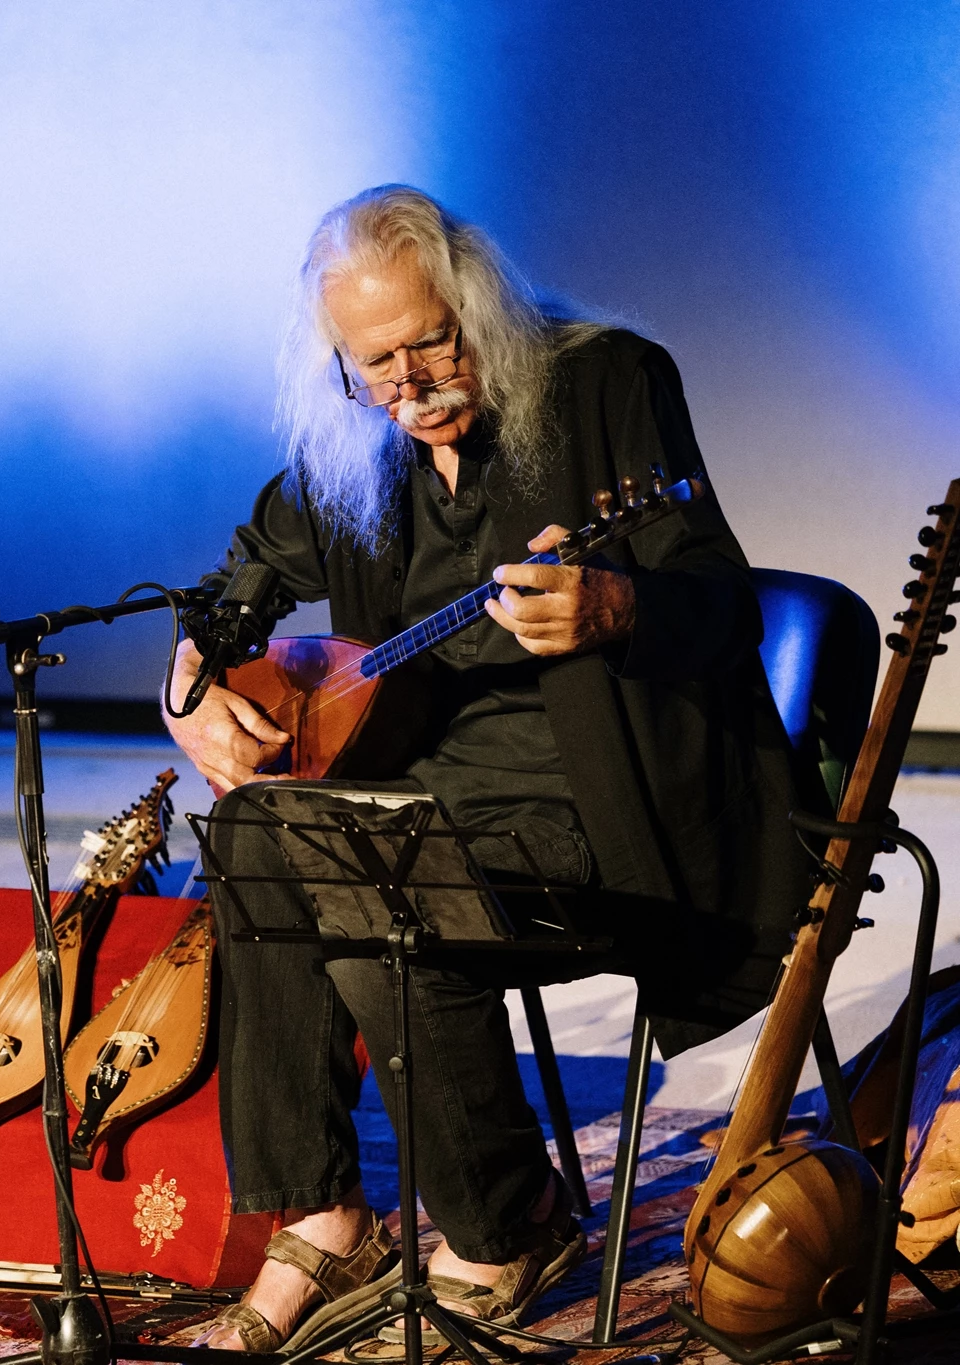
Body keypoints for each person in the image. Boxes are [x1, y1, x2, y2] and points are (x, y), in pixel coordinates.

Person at [164, 186, 810, 1350]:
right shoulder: (356, 439)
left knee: (361, 871)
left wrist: (616, 603)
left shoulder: (603, 384)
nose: (408, 384)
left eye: (429, 342)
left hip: (601, 807)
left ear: (479, 307)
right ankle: (320, 1217)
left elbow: (715, 603)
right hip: (427, 789)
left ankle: (507, 1223)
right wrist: (192, 688)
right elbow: (235, 585)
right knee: (257, 832)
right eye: (375, 363)